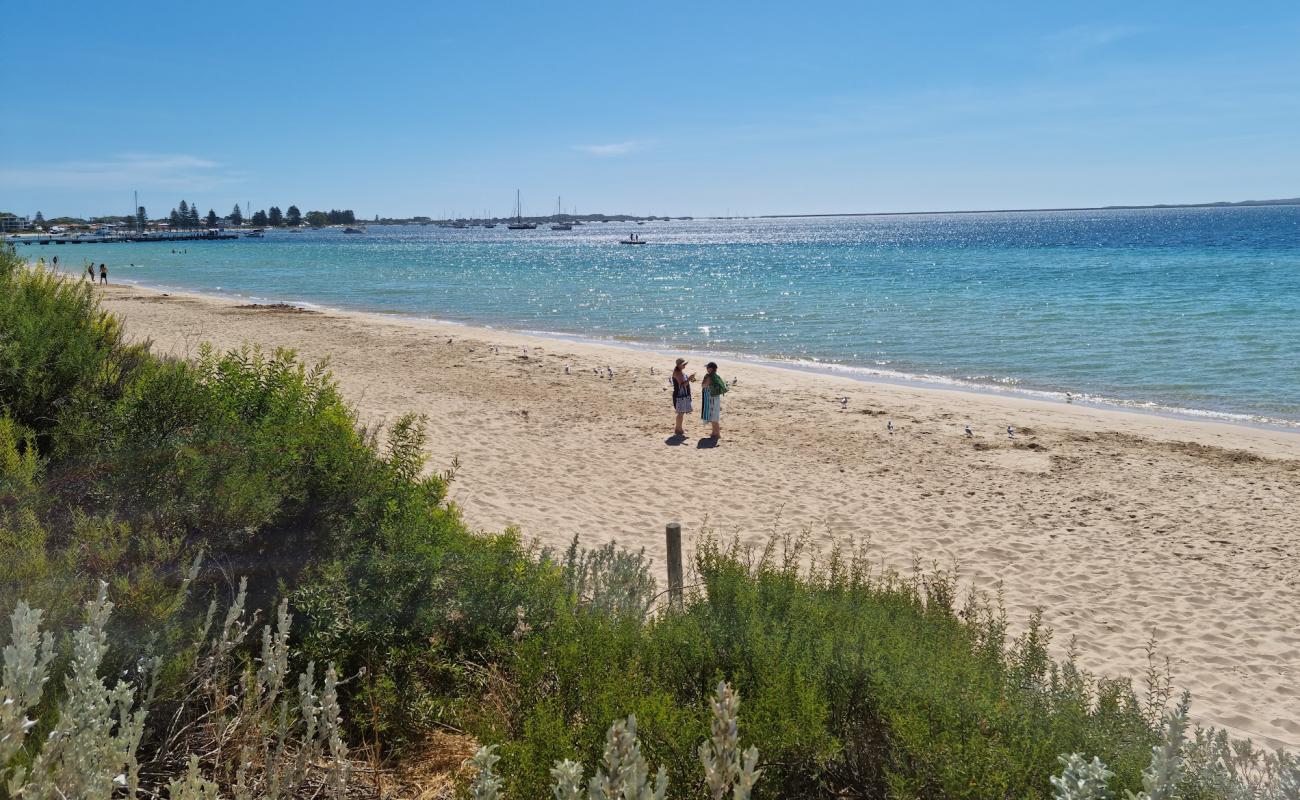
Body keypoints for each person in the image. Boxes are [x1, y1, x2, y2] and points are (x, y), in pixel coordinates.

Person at [700, 361, 728, 440]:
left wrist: (703, 382)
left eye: (707, 367)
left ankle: (717, 434)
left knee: (713, 416)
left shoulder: (709, 377)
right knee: (714, 415)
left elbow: (704, 385)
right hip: (716, 397)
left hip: (711, 398)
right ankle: (714, 432)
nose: (706, 369)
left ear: (710, 369)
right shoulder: (716, 376)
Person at [670, 358, 696, 435]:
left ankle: (678, 429)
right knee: (680, 413)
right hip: (679, 395)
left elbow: (685, 382)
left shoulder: (680, 372)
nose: (685, 365)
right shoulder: (677, 373)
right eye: (683, 364)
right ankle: (678, 430)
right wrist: (689, 378)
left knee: (681, 413)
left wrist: (690, 379)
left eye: (685, 364)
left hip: (682, 395)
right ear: (678, 365)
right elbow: (682, 384)